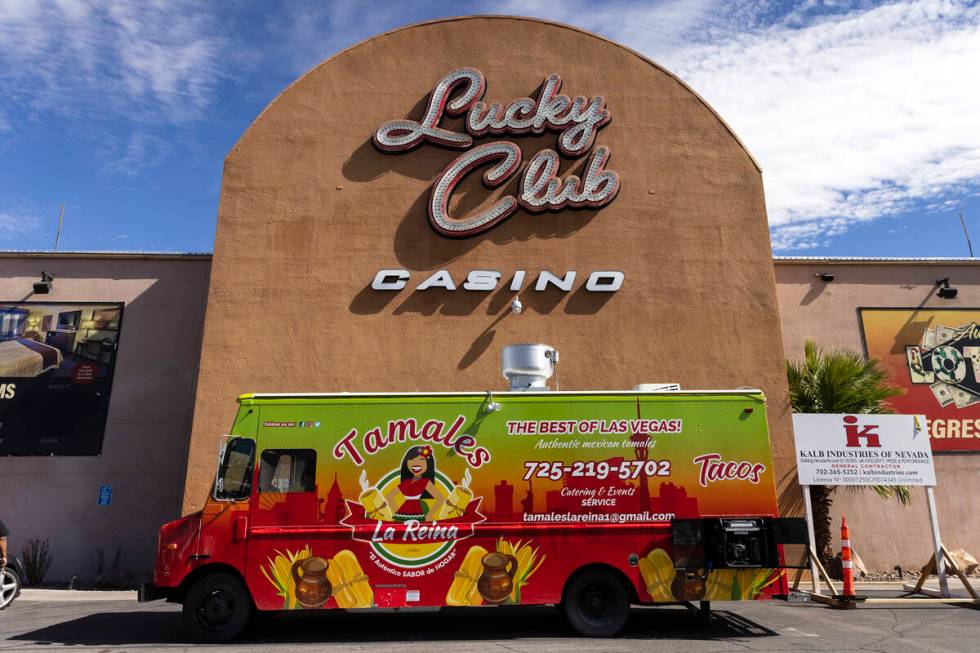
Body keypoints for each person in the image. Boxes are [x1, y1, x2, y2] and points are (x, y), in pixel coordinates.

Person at [385, 446, 446, 522]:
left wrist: (429, 515)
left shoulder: (425, 482)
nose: (416, 463)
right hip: (404, 512)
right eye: (412, 459)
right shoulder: (406, 483)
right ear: (406, 462)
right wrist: (397, 512)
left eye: (421, 459)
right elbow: (389, 496)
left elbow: (440, 498)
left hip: (418, 512)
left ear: (428, 463)